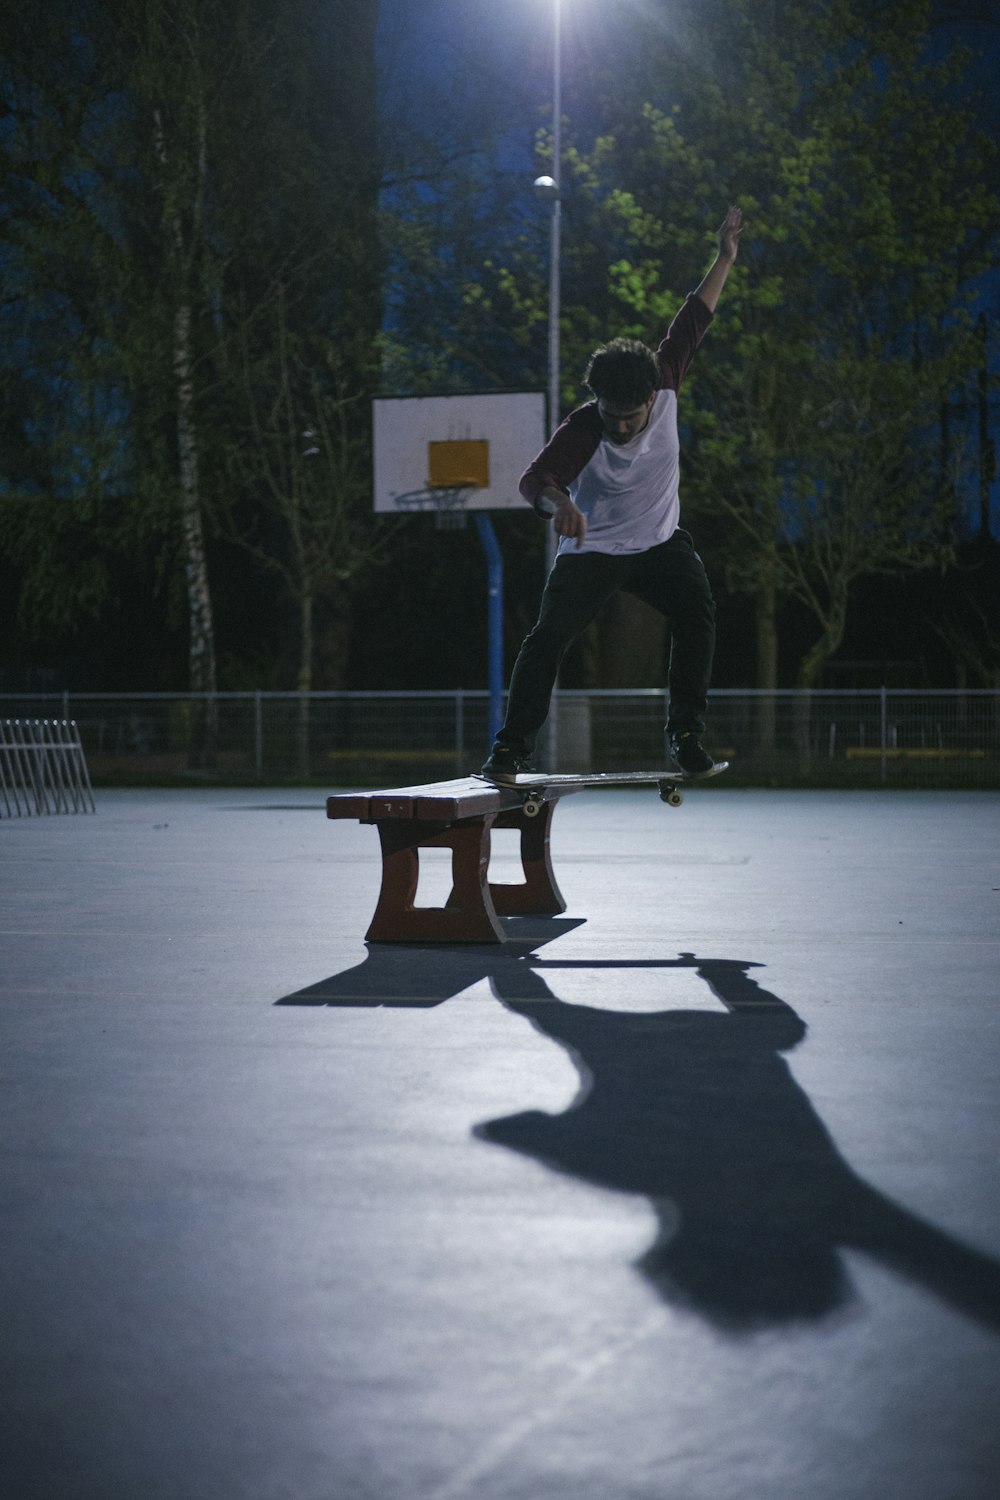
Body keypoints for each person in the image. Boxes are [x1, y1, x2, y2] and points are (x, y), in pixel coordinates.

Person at [482, 205, 744, 783]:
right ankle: (509, 749)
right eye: (611, 416)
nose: (620, 427)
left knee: (697, 612)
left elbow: (694, 317)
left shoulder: (667, 378)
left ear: (652, 395)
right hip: (594, 550)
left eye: (630, 417)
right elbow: (536, 481)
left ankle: (686, 736)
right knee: (547, 637)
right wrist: (562, 504)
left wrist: (723, 258)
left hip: (658, 544)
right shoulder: (584, 428)